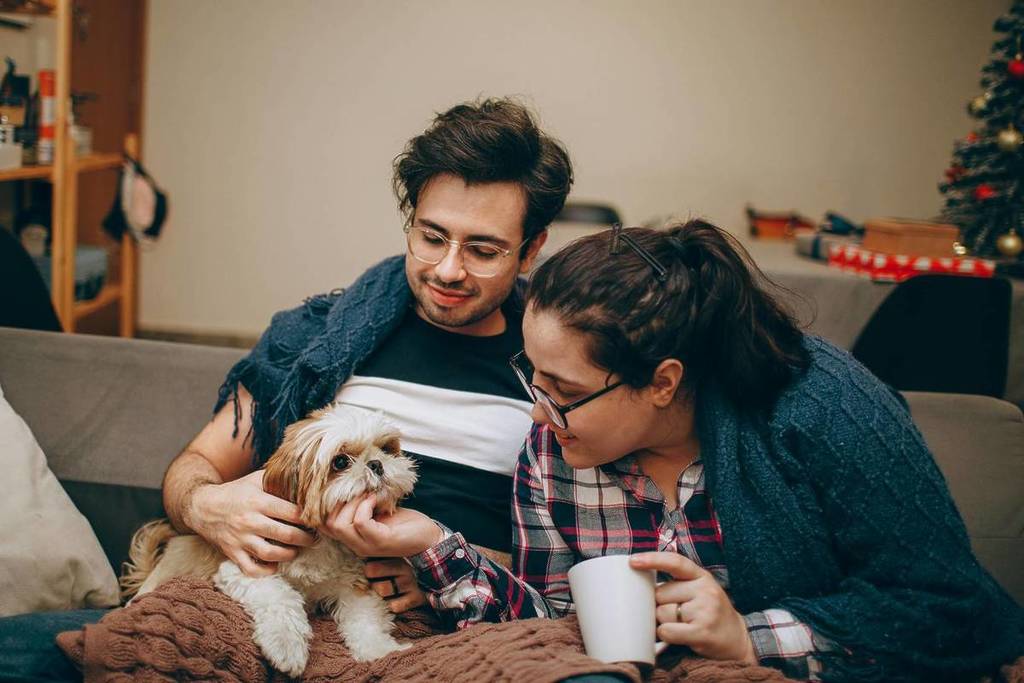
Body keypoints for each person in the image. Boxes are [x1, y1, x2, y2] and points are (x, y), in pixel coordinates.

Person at [0, 96, 573, 681]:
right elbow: (196, 465)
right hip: (265, 597)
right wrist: (208, 505)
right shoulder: (316, 340)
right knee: (32, 652)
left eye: (483, 250)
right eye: (432, 237)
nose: (449, 270)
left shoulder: (560, 371)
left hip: (444, 625)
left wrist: (442, 570)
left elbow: (568, 564)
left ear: (530, 249)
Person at [328, 221, 1024, 682]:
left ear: (663, 382)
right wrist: (439, 548)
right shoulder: (552, 446)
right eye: (530, 375)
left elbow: (949, 608)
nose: (538, 407)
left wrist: (750, 636)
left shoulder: (822, 407)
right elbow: (550, 621)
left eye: (562, 388)